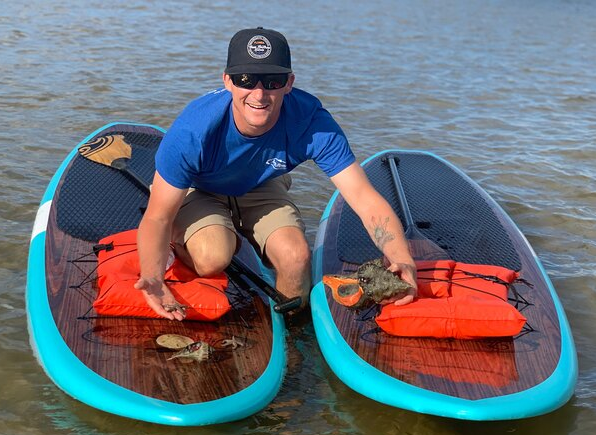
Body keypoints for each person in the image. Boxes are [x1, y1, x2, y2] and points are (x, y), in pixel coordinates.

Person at [135, 27, 417, 320]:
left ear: (289, 83)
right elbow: (158, 216)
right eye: (246, 80)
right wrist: (153, 275)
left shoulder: (313, 124)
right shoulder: (191, 132)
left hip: (262, 181)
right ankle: (200, 241)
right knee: (212, 257)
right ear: (228, 81)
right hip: (200, 185)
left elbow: (363, 198)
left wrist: (402, 259)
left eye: (273, 81)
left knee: (297, 258)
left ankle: (291, 334)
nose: (259, 94)